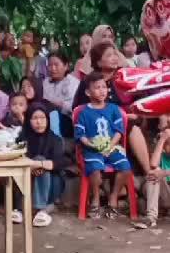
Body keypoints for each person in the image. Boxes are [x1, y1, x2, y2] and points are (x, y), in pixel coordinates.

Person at [73, 42, 151, 175]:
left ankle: (149, 171)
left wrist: (134, 114)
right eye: (109, 55)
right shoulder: (89, 82)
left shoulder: (124, 77)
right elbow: (78, 110)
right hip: (97, 129)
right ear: (98, 62)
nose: (115, 57)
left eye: (115, 54)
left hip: (125, 125)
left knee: (132, 126)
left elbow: (140, 101)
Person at [74, 72, 132, 218]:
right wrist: (92, 145)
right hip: (92, 150)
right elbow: (81, 136)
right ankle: (95, 198)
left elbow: (119, 131)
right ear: (88, 92)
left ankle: (113, 198)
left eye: (104, 87)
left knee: (125, 167)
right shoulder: (84, 112)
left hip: (112, 147)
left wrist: (110, 146)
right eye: (97, 87)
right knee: (95, 169)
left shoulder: (113, 109)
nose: (102, 90)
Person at [12, 103, 68, 227]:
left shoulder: (55, 140)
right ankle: (25, 210)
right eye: (35, 118)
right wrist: (31, 167)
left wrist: (40, 164)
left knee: (40, 159)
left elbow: (62, 162)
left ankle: (39, 209)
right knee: (23, 169)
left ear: (47, 120)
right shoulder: (22, 139)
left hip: (51, 185)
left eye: (42, 118)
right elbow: (16, 158)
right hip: (27, 181)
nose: (39, 122)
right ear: (28, 121)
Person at [42, 51, 79, 137]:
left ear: (65, 66)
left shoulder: (73, 82)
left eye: (56, 65)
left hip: (68, 119)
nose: (53, 68)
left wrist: (60, 104)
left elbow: (74, 107)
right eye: (50, 65)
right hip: (47, 117)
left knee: (54, 115)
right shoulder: (46, 82)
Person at [145, 129, 170, 227]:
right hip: (166, 195)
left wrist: (165, 173)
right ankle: (151, 218)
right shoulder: (162, 155)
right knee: (153, 174)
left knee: (157, 173)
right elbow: (153, 164)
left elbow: (163, 173)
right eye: (168, 144)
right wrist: (162, 140)